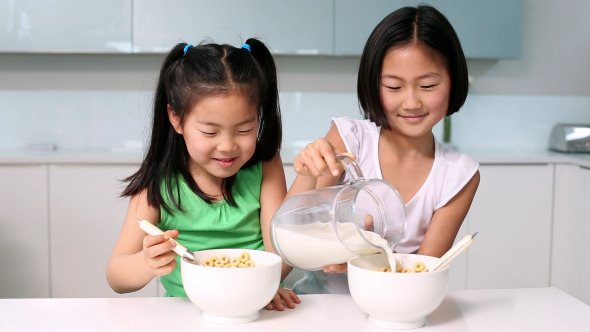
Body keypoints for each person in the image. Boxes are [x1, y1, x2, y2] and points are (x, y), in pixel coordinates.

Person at [287, 5, 480, 294]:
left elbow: (421, 275)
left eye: (428, 86)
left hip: (398, 307)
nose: (412, 102)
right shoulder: (350, 139)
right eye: (393, 87)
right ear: (373, 84)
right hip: (320, 304)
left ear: (454, 82)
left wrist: (372, 257)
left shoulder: (458, 176)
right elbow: (295, 231)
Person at [106, 38, 300, 310]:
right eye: (210, 132)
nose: (227, 146)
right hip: (186, 314)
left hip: (256, 304)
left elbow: (279, 252)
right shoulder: (159, 184)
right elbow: (116, 275)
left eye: (244, 130)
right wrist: (146, 262)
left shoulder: (264, 165)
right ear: (176, 119)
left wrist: (263, 287)